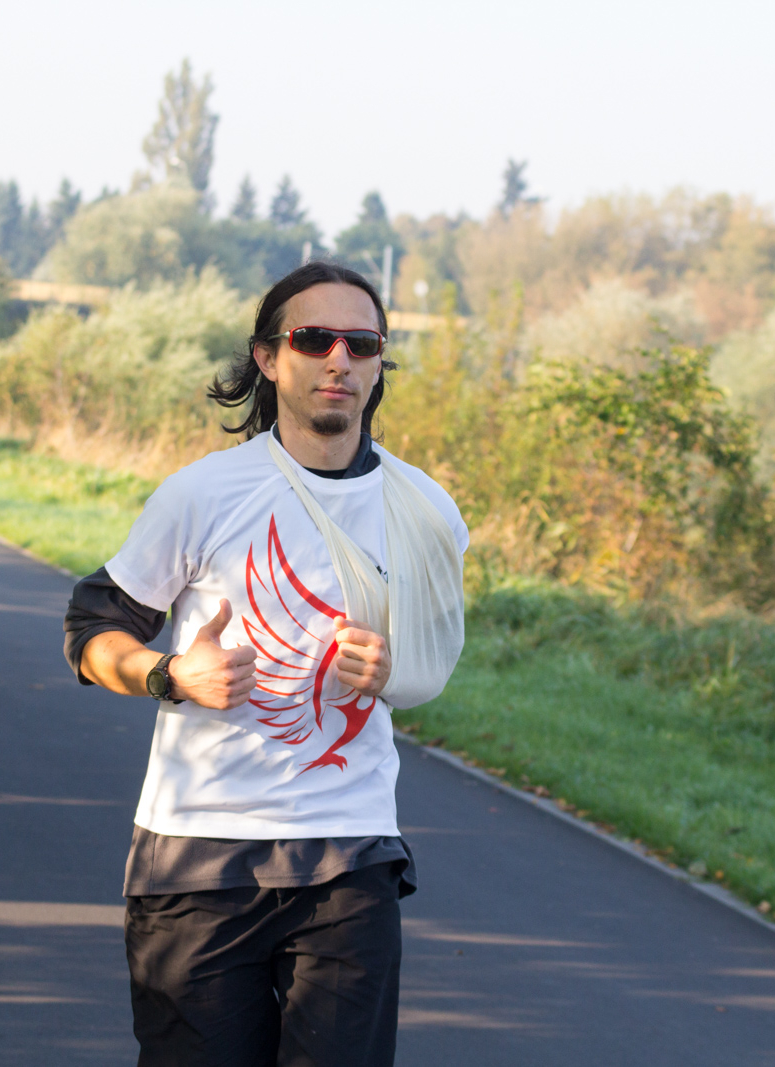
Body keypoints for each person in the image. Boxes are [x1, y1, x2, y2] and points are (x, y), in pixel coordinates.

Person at [64, 262, 469, 1066]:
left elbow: (429, 664)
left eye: (361, 343)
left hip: (351, 849)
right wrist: (170, 674)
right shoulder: (205, 495)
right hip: (198, 849)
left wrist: (389, 667)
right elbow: (90, 629)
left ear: (379, 362)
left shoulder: (426, 510)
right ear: (268, 358)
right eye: (313, 339)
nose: (338, 360)